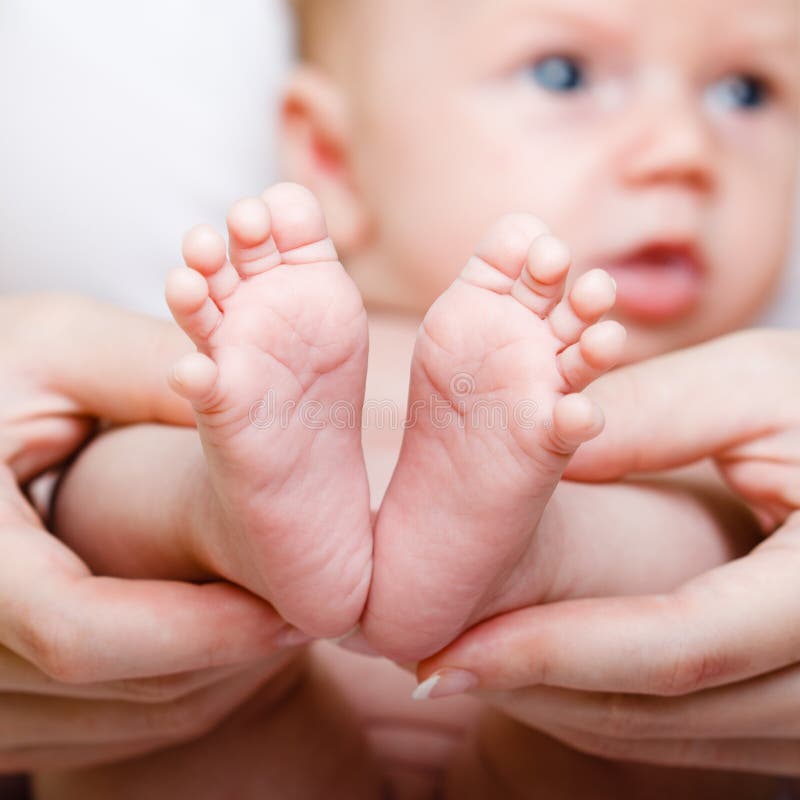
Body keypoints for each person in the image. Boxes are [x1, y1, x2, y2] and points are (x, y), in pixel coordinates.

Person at [5, 0, 799, 797]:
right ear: (331, 157)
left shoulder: (750, 418)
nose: (683, 150)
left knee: (713, 553)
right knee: (126, 475)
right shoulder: (259, 344)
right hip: (225, 700)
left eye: (746, 92)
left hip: (563, 742)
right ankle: (224, 523)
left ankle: (536, 555)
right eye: (565, 74)